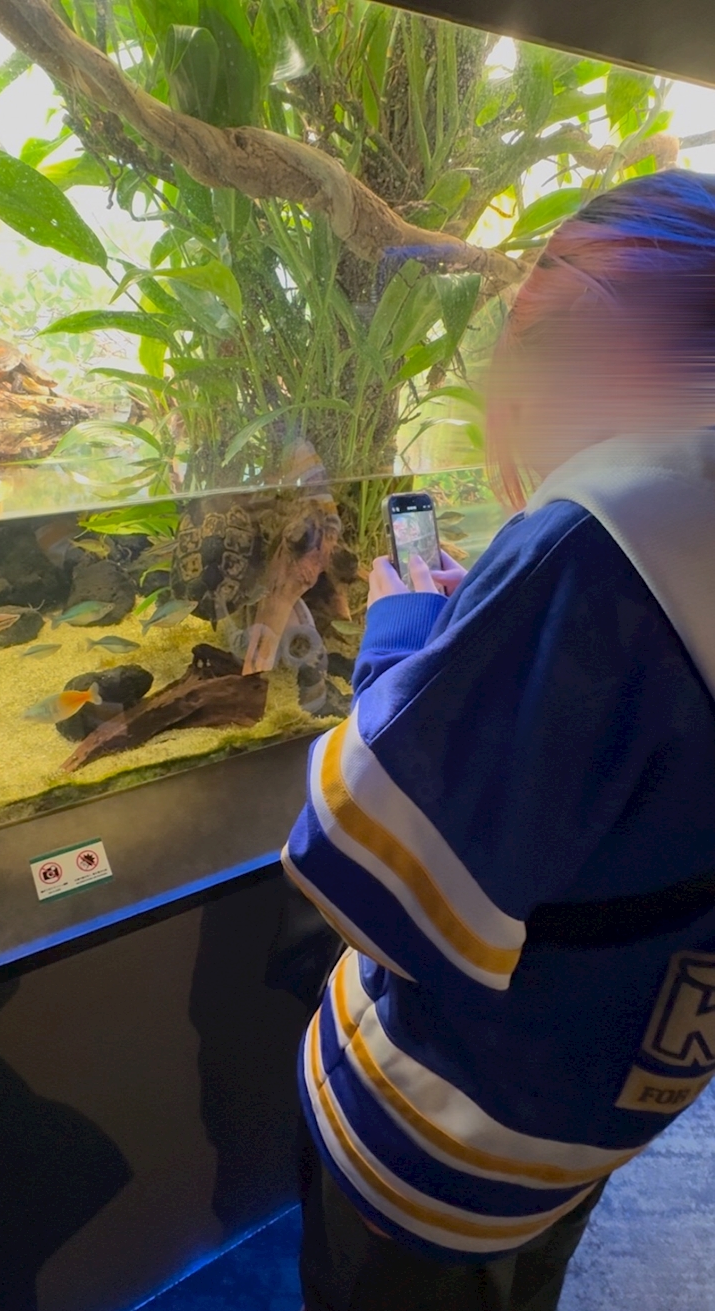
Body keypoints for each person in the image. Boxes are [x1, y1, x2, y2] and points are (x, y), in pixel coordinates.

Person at [283, 169, 715, 1311]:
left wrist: (406, 631)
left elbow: (361, 868)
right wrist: (508, 634)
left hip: (441, 1141)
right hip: (602, 1107)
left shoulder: (607, 525)